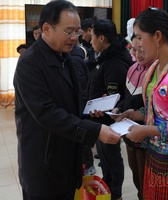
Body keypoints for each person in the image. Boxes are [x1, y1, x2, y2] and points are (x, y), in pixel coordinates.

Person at [13, 1, 121, 200]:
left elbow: (73, 102)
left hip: (68, 159)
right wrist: (95, 131)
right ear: (46, 28)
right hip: (43, 165)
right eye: (69, 31)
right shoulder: (30, 63)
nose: (75, 37)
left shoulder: (66, 58)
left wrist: (91, 111)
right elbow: (48, 114)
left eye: (78, 31)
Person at [114, 7, 168, 200]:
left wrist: (147, 131)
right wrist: (135, 114)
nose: (135, 43)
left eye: (138, 37)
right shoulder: (155, 66)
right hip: (154, 156)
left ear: (157, 36)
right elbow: (160, 111)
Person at [88, 18, 133, 200]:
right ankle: (107, 190)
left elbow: (115, 95)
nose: (89, 41)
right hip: (100, 120)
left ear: (101, 38)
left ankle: (115, 195)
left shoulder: (114, 61)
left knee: (112, 160)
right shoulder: (104, 56)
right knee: (105, 160)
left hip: (109, 121)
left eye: (92, 37)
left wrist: (103, 104)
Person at [111, 34, 155, 200]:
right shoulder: (132, 68)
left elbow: (154, 108)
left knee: (146, 183)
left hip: (146, 136)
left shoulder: (156, 72)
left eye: (142, 50)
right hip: (129, 133)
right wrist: (118, 108)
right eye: (134, 50)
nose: (137, 54)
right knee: (136, 177)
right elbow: (126, 97)